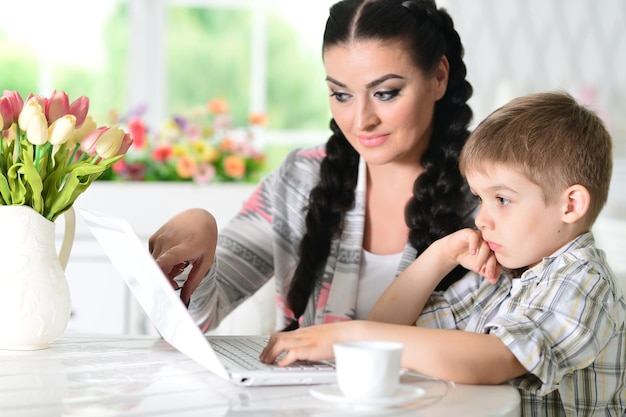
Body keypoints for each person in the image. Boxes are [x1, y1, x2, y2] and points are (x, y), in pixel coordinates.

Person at [260, 91, 626, 415]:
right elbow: (387, 329)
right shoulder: (508, 276)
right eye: (480, 199)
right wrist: (437, 257)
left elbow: (495, 359)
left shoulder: (582, 283)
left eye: (502, 199)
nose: (482, 218)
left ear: (571, 204)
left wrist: (346, 336)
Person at [149, 0, 475, 332]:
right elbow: (190, 322)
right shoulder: (300, 179)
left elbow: (508, 348)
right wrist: (200, 229)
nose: (362, 120)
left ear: (438, 77)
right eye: (341, 95)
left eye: (386, 93)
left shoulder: (494, 189)